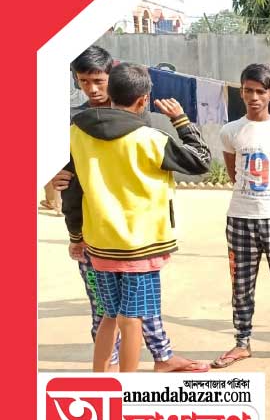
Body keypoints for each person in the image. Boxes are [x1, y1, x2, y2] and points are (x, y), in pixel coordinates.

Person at [53, 46, 208, 373]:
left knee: (109, 315)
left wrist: (77, 234)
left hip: (99, 242)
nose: (92, 89)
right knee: (132, 318)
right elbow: (200, 160)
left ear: (111, 82)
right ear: (142, 100)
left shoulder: (75, 131)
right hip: (140, 245)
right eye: (84, 81)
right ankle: (128, 388)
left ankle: (104, 378)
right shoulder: (149, 135)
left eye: (97, 81)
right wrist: (180, 120)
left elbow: (73, 191)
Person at [213, 64, 270, 368]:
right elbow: (231, 172)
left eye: (260, 91)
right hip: (240, 218)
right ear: (241, 91)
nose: (254, 97)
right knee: (241, 284)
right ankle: (242, 342)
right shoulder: (231, 131)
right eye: (248, 90)